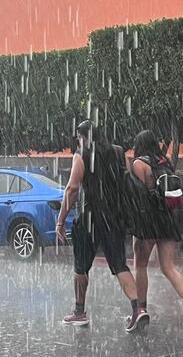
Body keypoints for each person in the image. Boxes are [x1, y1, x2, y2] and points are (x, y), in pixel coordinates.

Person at [56, 120, 143, 331]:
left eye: (79, 137)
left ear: (83, 137)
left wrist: (60, 220)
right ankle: (138, 309)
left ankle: (79, 311)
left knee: (80, 266)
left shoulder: (82, 154)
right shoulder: (118, 151)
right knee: (119, 265)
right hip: (114, 216)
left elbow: (72, 189)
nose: (78, 141)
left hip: (90, 217)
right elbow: (127, 182)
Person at [129, 129, 183, 328]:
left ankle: (140, 310)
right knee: (168, 267)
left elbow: (139, 195)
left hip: (149, 221)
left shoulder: (138, 164)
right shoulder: (165, 162)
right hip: (169, 218)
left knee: (141, 265)